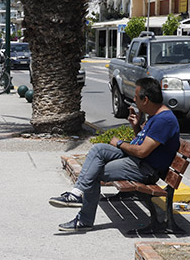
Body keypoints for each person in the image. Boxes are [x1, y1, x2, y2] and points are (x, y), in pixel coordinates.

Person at [49, 77, 180, 232]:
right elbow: (143, 144)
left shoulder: (164, 120)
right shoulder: (155, 115)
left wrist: (119, 143)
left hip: (145, 168)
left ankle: (84, 220)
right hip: (137, 161)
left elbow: (142, 151)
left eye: (136, 97)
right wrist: (136, 126)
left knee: (94, 172)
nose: (134, 100)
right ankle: (77, 193)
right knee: (98, 149)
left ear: (145, 100)